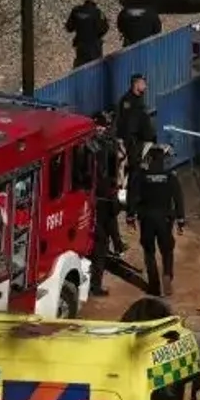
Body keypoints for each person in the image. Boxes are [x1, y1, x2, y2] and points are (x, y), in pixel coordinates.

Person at [133, 147, 185, 297]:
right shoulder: (170, 176)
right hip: (165, 220)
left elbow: (134, 196)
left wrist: (131, 215)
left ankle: (154, 285)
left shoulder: (142, 176)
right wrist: (181, 221)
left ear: (150, 159)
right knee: (167, 250)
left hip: (147, 219)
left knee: (149, 252)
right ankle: (167, 274)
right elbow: (178, 199)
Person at [87, 114, 123, 296]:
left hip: (96, 198)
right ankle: (95, 285)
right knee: (101, 246)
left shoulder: (90, 143)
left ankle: (117, 244)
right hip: (100, 200)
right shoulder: (104, 146)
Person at [114, 75, 155, 187]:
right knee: (127, 170)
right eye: (143, 84)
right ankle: (124, 195)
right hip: (130, 142)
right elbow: (128, 124)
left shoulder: (139, 101)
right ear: (136, 84)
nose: (145, 86)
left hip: (138, 141)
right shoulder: (128, 101)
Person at [64, 0, 109, 67]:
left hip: (80, 47)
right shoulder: (98, 12)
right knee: (95, 69)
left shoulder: (76, 11)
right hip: (94, 48)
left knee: (81, 69)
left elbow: (69, 27)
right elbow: (103, 29)